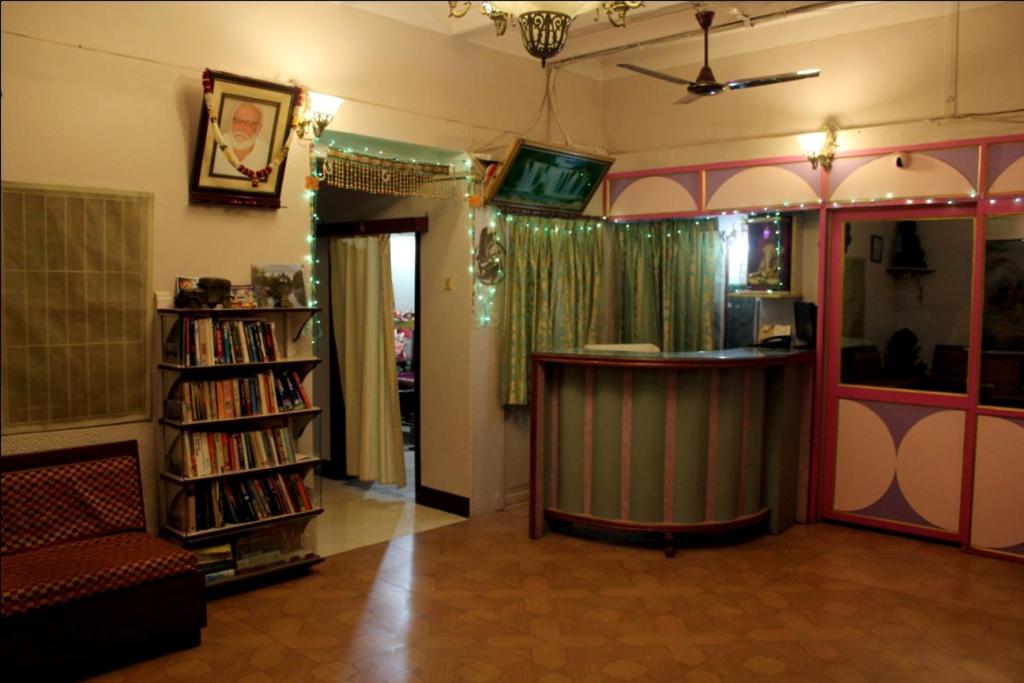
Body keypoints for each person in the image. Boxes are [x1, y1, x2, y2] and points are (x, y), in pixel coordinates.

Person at [212, 101, 271, 177]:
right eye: (237, 120)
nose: (241, 127)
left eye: (249, 123)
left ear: (259, 128)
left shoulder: (266, 154)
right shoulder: (217, 144)